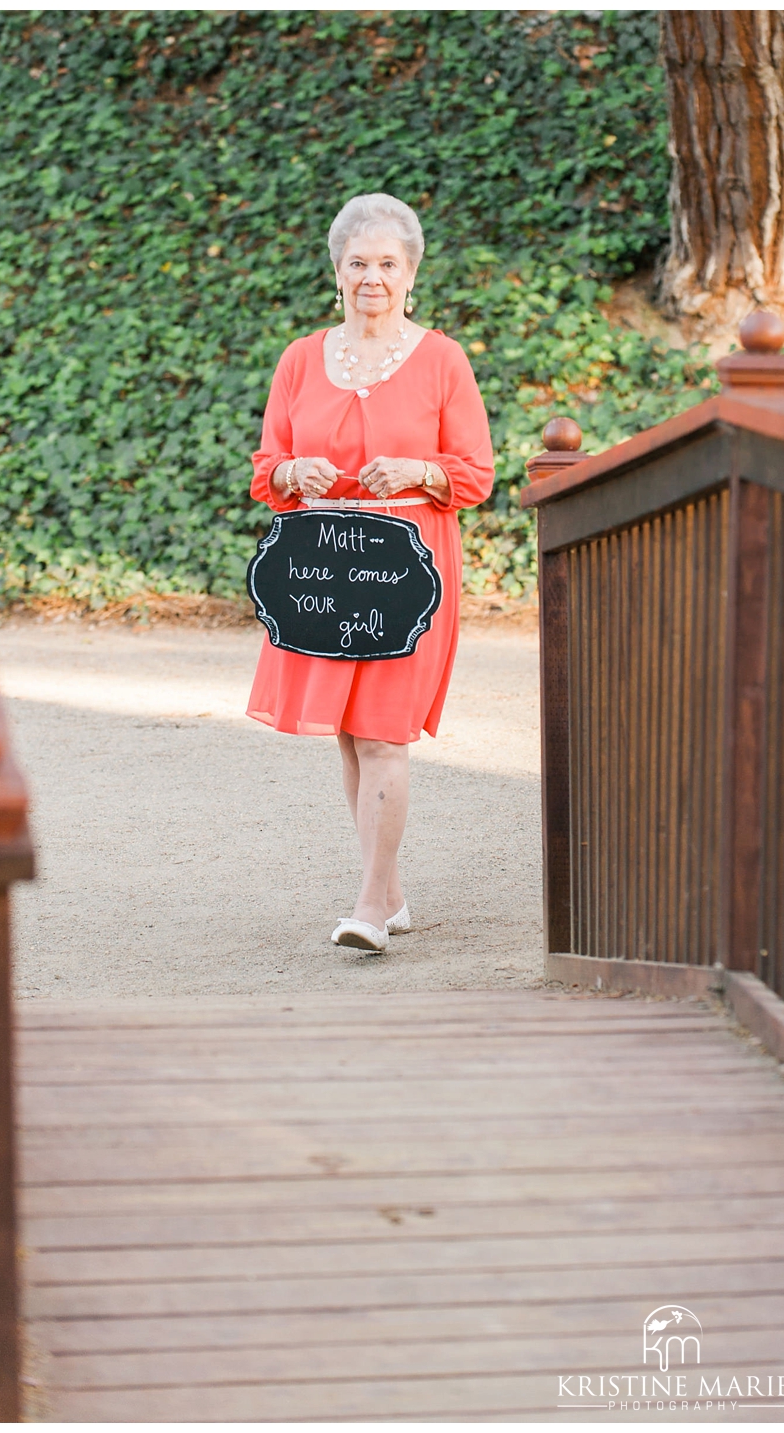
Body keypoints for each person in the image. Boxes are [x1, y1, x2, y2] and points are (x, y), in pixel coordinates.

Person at [247, 192, 494, 953]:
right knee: (352, 737)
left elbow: (477, 475)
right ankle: (387, 889)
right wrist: (296, 470)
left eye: (388, 264)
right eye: (359, 263)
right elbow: (265, 469)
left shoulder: (441, 359)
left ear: (410, 274)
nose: (372, 277)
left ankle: (367, 908)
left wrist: (419, 468)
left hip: (405, 577)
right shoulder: (300, 358)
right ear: (337, 270)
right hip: (323, 570)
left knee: (384, 734)